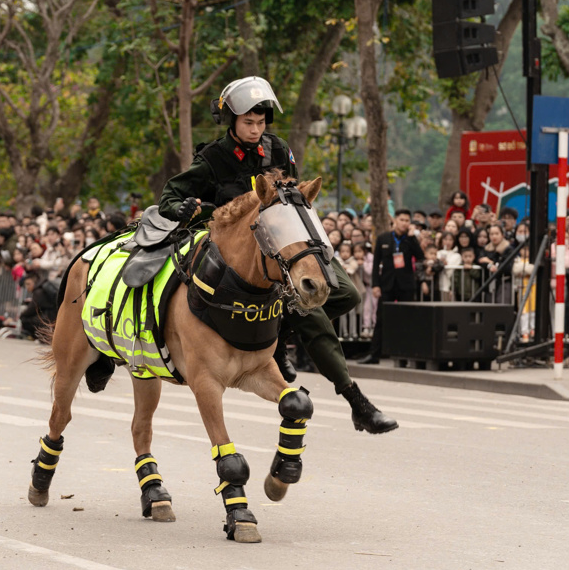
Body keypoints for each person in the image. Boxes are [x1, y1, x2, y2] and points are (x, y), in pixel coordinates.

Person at [159, 76, 397, 434]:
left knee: (346, 293)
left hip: (285, 246)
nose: (256, 130)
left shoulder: (279, 149)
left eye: (261, 122)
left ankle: (280, 328)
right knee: (313, 314)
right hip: (235, 258)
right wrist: (189, 208)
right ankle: (356, 402)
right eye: (248, 123)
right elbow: (169, 198)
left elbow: (296, 197)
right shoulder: (212, 158)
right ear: (232, 122)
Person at [361, 209, 423, 363]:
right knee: (381, 319)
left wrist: (412, 238)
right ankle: (374, 355)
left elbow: (421, 256)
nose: (404, 223)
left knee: (407, 320)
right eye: (402, 220)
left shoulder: (410, 239)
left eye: (407, 221)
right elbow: (376, 265)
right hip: (387, 284)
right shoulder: (383, 238)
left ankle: (406, 355)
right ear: (395, 220)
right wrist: (376, 285)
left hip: (406, 285)